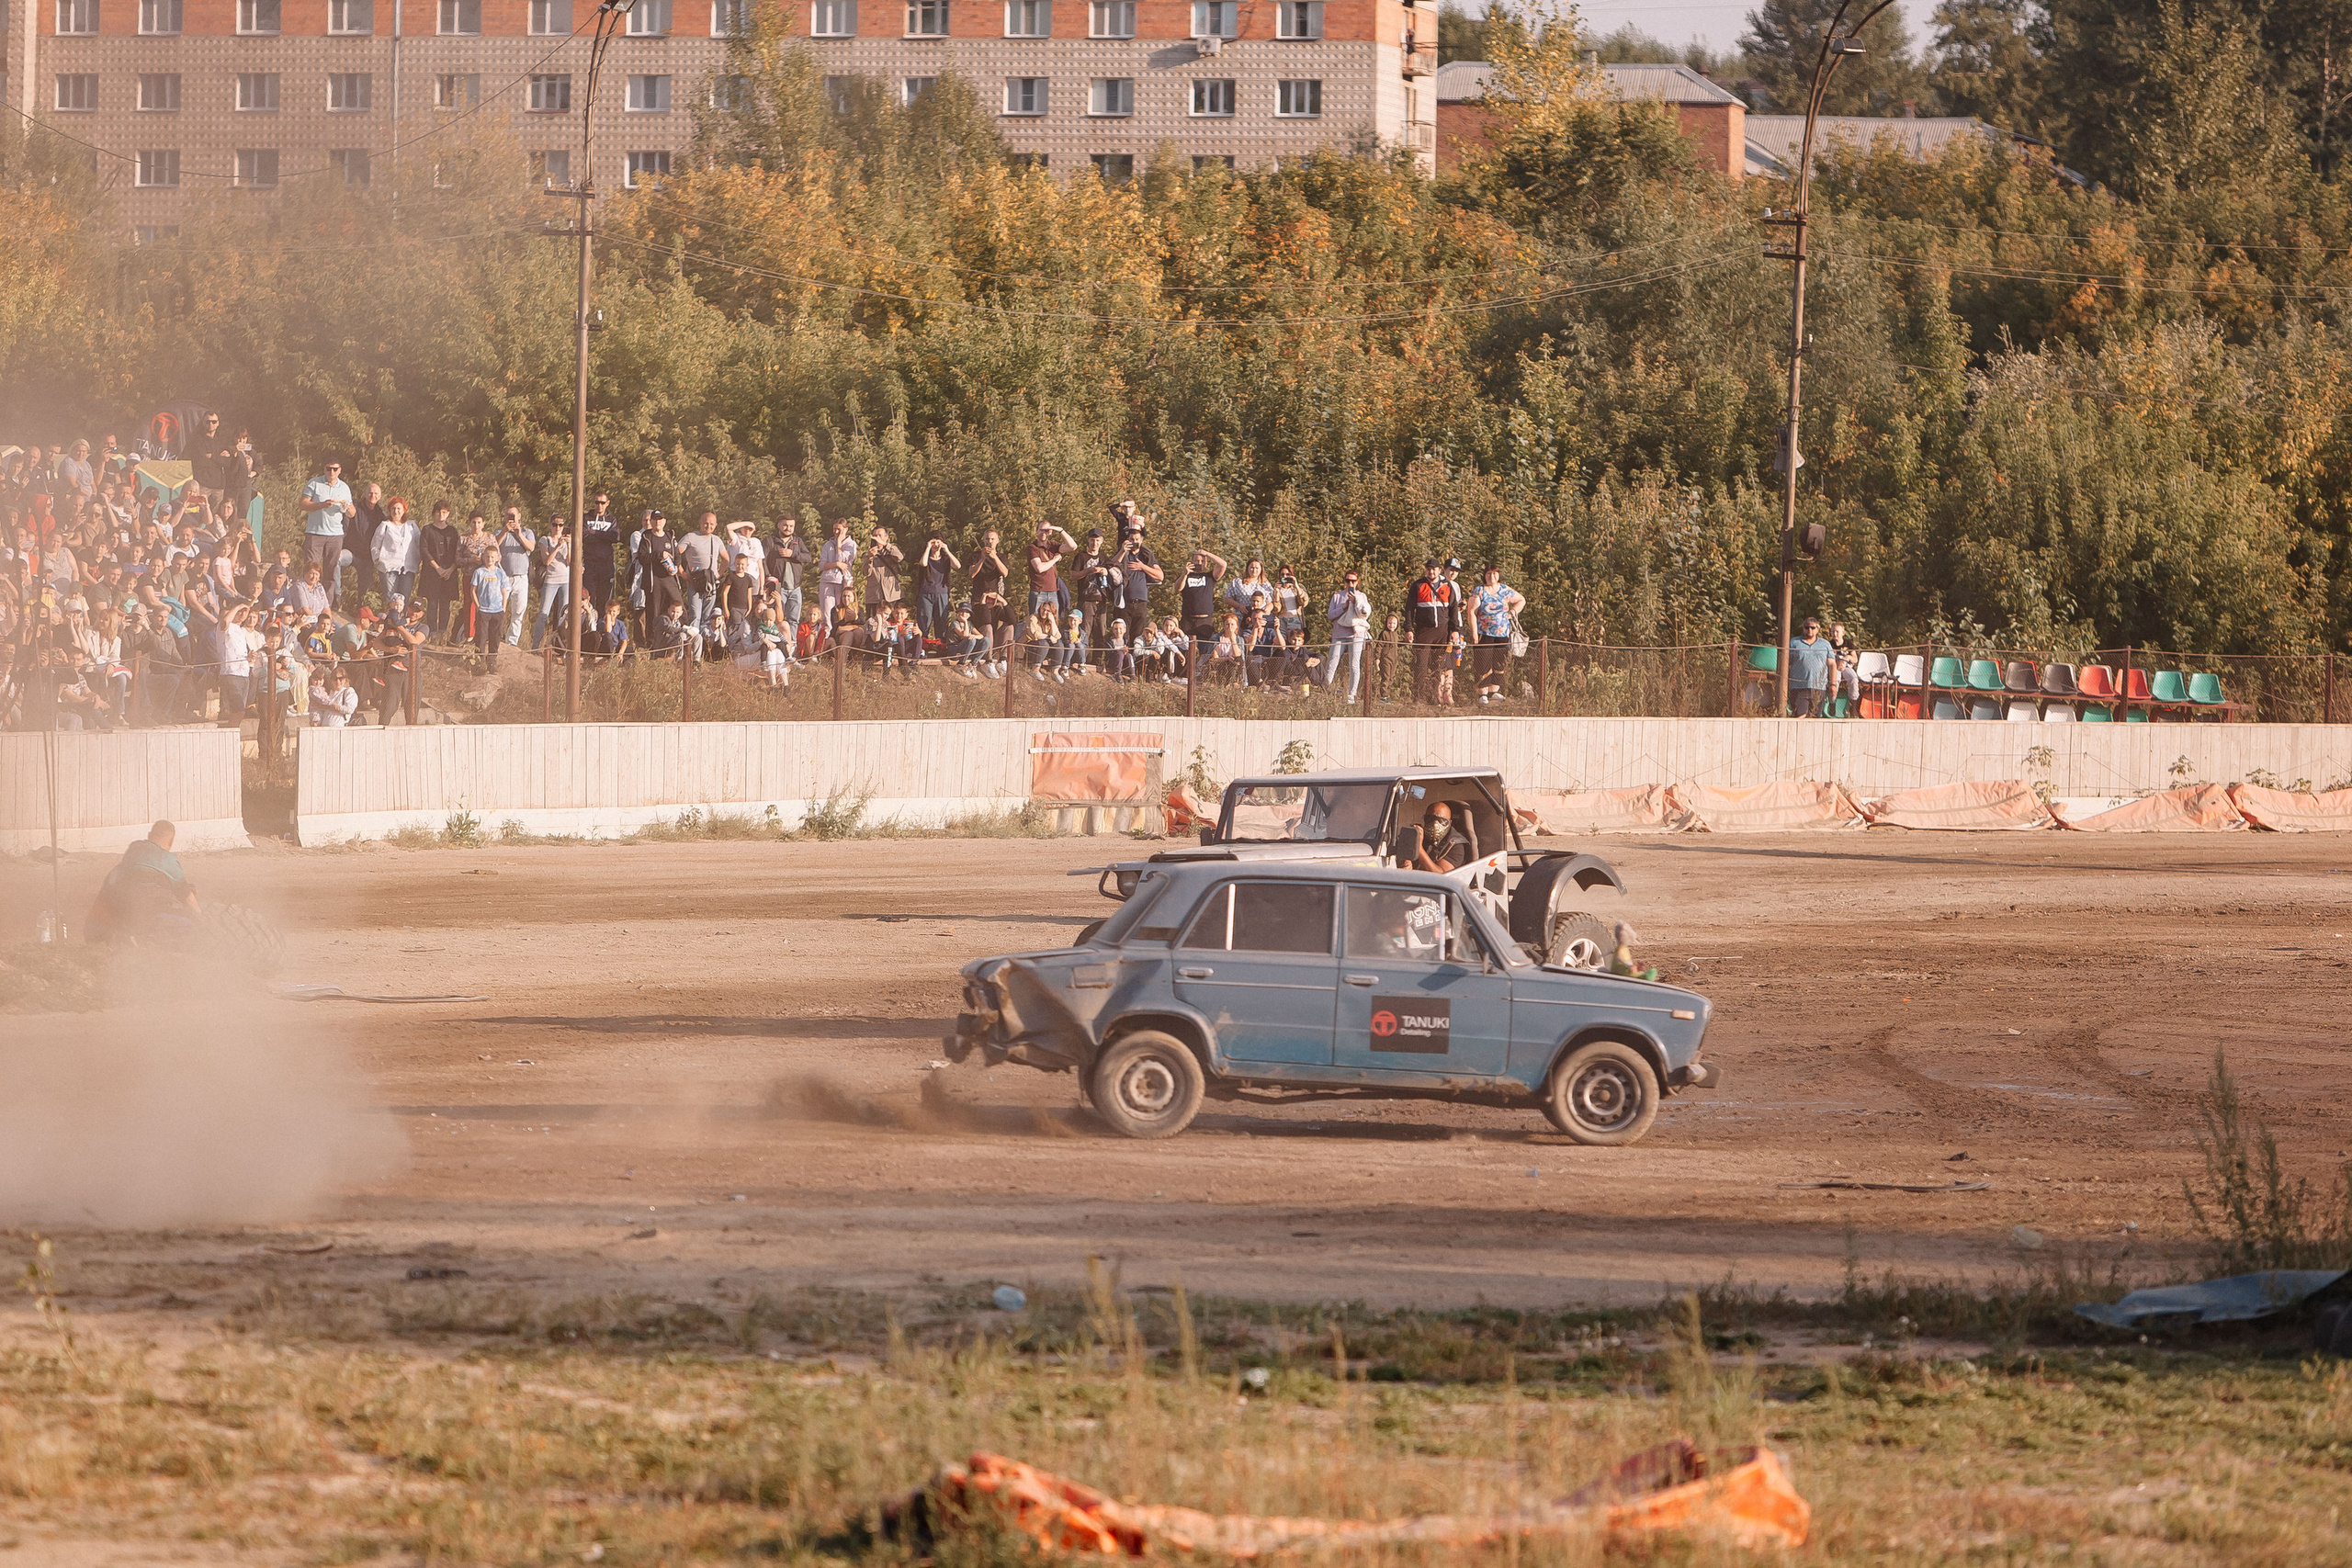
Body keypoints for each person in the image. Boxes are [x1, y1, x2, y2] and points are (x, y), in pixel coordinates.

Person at [1468, 564, 1525, 704]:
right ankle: (1483, 693)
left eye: (1494, 574)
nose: (1491, 576)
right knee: (1483, 662)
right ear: (1484, 575)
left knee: (1499, 662)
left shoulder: (1505, 590)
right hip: (1484, 632)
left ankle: (1494, 691)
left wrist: (1512, 612)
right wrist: (1474, 633)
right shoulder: (1479, 591)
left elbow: (1521, 600)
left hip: (1502, 633)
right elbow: (1471, 611)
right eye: (1488, 574)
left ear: (1498, 575)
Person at [1406, 558, 1458, 705]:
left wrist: (1455, 630)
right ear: (1426, 570)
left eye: (1434, 569)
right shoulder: (1418, 585)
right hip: (1424, 631)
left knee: (1439, 666)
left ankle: (1435, 697)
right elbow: (1409, 609)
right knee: (1421, 665)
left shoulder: (1447, 586)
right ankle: (1419, 697)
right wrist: (1408, 629)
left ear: (1439, 570)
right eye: (1429, 569)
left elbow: (1453, 610)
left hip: (1443, 632)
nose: (1431, 571)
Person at [300, 460, 353, 588]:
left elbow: (352, 513)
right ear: (324, 469)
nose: (332, 472)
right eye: (329, 469)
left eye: (335, 469)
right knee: (311, 570)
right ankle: (308, 600)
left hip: (335, 535)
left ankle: (327, 604)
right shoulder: (314, 483)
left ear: (340, 470)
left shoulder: (344, 487)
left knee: (331, 572)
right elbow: (302, 504)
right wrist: (322, 505)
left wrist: (347, 507)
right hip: (315, 533)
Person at [1323, 568, 1371, 703]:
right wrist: (1344, 607)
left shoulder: (1362, 596)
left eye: (1353, 581)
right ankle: (1327, 689)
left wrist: (1356, 603)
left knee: (1354, 664)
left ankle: (1352, 694)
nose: (1350, 584)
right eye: (1347, 580)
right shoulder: (1337, 596)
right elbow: (1330, 615)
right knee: (1333, 661)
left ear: (1357, 582)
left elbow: (1364, 614)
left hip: (1356, 634)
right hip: (1339, 633)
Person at [418, 501, 463, 641]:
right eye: (438, 512)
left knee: (445, 604)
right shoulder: (427, 530)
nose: (441, 515)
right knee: (432, 604)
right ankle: (432, 633)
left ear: (448, 514)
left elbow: (458, 551)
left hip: (449, 572)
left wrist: (450, 569)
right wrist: (437, 568)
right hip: (432, 572)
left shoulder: (452, 531)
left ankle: (443, 634)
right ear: (434, 513)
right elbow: (424, 550)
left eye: (444, 512)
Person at [495, 507, 537, 647]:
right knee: (498, 609)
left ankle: (512, 642)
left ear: (519, 516)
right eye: (508, 515)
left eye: (513, 515)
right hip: (503, 577)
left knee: (519, 610)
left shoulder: (527, 532)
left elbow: (531, 547)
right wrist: (505, 531)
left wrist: (519, 534)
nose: (511, 517)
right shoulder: (499, 532)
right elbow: (493, 546)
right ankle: (496, 637)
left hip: (521, 578)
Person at [531, 519, 572, 650]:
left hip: (565, 580)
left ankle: (560, 646)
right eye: (555, 525)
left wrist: (570, 545)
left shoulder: (568, 541)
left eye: (560, 525)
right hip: (551, 580)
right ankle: (535, 646)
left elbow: (570, 562)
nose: (558, 528)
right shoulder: (545, 540)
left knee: (563, 614)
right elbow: (547, 561)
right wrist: (558, 546)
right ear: (550, 525)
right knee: (544, 613)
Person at [1392, 800, 1464, 873]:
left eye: (1442, 820)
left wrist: (1418, 847)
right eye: (1430, 819)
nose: (1435, 824)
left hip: (1433, 883)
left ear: (1450, 822)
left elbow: (1441, 875)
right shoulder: (1416, 834)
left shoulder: (1455, 845)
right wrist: (1403, 863)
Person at [371, 497, 420, 605]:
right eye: (393, 508)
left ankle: (401, 621)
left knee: (404, 600)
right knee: (391, 600)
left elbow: (419, 544)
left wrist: (418, 560)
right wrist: (378, 560)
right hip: (388, 568)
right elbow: (375, 545)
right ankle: (391, 621)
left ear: (404, 510)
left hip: (408, 568)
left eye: (399, 508)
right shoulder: (385, 526)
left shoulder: (411, 525)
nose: (396, 511)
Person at [637, 511, 681, 628]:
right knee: (654, 612)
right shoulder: (646, 537)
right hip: (653, 580)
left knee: (678, 606)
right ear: (651, 521)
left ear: (664, 521)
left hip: (669, 578)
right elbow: (642, 558)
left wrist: (676, 566)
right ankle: (653, 643)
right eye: (655, 519)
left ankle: (680, 637)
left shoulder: (670, 536)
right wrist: (659, 554)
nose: (658, 522)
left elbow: (677, 556)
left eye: (660, 519)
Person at [913, 530, 959, 641]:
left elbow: (958, 566)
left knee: (941, 621)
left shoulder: (946, 560)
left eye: (938, 542)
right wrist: (928, 548)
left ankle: (941, 645)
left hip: (942, 593)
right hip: (926, 593)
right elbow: (923, 564)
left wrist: (947, 550)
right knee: (924, 620)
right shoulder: (926, 557)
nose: (936, 545)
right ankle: (922, 645)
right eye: (933, 542)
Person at [1786, 616, 1835, 717]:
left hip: (1819, 687)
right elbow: (1786, 663)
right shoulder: (1794, 643)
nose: (1809, 630)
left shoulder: (1825, 644)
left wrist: (1833, 684)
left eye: (1812, 628)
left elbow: (1832, 664)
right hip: (1799, 687)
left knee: (1814, 717)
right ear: (1803, 628)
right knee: (1801, 715)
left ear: (1818, 629)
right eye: (1806, 627)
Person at [1177, 547, 1227, 645]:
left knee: (1205, 652)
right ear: (1192, 561)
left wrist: (1207, 553)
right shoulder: (1186, 576)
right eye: (1196, 560)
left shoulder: (1210, 576)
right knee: (1186, 650)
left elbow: (1223, 565)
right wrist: (1185, 573)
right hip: (1188, 619)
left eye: (1202, 561)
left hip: (1205, 620)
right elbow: (1178, 588)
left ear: (1206, 563)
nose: (1199, 563)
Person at [768, 516, 810, 632]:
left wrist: (793, 554)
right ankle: (778, 644)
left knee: (794, 620)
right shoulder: (770, 540)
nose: (788, 528)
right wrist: (768, 578)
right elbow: (762, 560)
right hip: (778, 587)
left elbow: (808, 557)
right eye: (785, 525)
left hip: (795, 587)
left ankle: (792, 646)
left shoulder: (797, 541)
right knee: (776, 618)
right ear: (779, 525)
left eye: (791, 526)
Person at [582, 492, 621, 613]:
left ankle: (602, 627)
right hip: (590, 564)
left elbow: (615, 537)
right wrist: (604, 537)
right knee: (589, 598)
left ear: (607, 503)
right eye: (597, 502)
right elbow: (584, 536)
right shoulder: (586, 518)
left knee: (605, 600)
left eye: (602, 503)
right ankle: (589, 627)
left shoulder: (611, 520)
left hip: (606, 565)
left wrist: (596, 533)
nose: (599, 505)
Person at [1026, 524, 1076, 618]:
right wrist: (1055, 559)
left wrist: (1061, 530)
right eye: (1041, 530)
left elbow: (1073, 546)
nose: (1043, 533)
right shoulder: (1032, 548)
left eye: (1046, 530)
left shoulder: (1053, 546)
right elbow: (1039, 568)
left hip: (1053, 592)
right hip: (1038, 592)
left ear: (1050, 532)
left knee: (1053, 622)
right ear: (1036, 531)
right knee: (1035, 622)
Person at [469, 551, 508, 661]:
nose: (490, 559)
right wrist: (477, 606)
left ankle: (492, 661)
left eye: (492, 557)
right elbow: (473, 590)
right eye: (487, 557)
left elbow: (504, 591)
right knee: (481, 637)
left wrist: (504, 607)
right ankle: (479, 662)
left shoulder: (500, 573)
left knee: (495, 637)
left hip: (497, 610)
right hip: (483, 610)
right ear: (483, 558)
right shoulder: (479, 572)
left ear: (497, 558)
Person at [818, 518, 858, 625]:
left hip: (842, 582)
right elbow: (822, 565)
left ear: (846, 529)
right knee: (827, 612)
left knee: (842, 611)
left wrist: (839, 543)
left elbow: (841, 559)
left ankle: (840, 635)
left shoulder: (851, 545)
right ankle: (827, 636)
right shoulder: (828, 545)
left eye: (839, 529)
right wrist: (835, 564)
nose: (836, 532)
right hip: (827, 581)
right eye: (834, 529)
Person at [311, 662, 357, 727]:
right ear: (332, 680)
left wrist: (336, 707)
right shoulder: (328, 693)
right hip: (323, 728)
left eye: (340, 679)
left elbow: (350, 709)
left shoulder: (348, 692)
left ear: (345, 679)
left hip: (340, 729)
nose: (338, 682)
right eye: (335, 679)